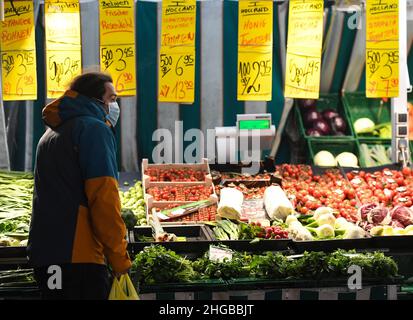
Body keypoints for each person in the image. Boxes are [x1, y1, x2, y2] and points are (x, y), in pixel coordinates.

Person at [28, 72, 132, 300]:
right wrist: (119, 258)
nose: (114, 106)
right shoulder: (93, 130)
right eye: (112, 99)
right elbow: (103, 199)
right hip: (79, 256)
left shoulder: (50, 135)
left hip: (46, 256)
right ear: (95, 100)